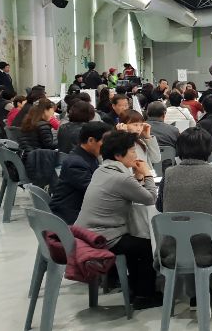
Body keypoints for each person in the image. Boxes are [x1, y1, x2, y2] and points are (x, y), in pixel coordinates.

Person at [75, 130, 160, 308]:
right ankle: (145, 296)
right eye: (133, 151)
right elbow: (151, 198)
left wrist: (137, 177)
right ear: (118, 155)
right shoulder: (120, 178)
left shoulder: (102, 170)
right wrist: (148, 174)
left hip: (86, 232)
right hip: (103, 237)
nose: (136, 155)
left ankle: (136, 290)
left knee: (135, 242)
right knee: (146, 246)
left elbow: (127, 190)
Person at [155, 127, 212, 294]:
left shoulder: (168, 174)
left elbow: (160, 207)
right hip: (211, 250)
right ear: (208, 150)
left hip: (172, 249)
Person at [50, 122, 110, 224]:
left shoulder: (86, 156)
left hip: (79, 210)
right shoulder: (76, 163)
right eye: (105, 142)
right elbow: (95, 192)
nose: (108, 146)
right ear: (91, 140)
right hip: (70, 217)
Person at [118, 110, 162, 176]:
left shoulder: (140, 142)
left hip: (146, 177)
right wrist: (123, 135)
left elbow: (156, 159)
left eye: (141, 125)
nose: (139, 129)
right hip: (130, 179)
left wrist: (148, 137)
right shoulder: (117, 142)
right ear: (123, 125)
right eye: (135, 125)